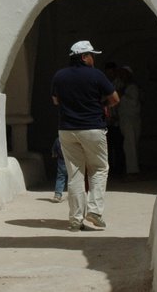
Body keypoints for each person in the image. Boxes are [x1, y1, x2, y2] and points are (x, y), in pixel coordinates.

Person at [51, 40, 120, 231]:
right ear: (83, 57)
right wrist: (101, 106)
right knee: (99, 168)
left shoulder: (59, 76)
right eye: (91, 55)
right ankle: (95, 211)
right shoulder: (96, 75)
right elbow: (115, 98)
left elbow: (56, 100)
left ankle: (75, 220)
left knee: (74, 174)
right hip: (92, 129)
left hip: (66, 130)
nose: (93, 59)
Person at [117, 65, 142, 176]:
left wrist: (123, 95)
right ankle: (131, 170)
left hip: (132, 119)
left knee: (131, 145)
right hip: (125, 119)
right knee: (128, 145)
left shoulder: (132, 87)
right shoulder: (122, 86)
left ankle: (133, 171)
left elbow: (134, 103)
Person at [51, 136, 67, 202]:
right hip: (72, 160)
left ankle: (57, 195)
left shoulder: (58, 139)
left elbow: (54, 150)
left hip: (61, 160)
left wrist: (54, 155)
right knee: (74, 178)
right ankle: (74, 195)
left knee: (60, 177)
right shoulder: (72, 137)